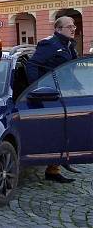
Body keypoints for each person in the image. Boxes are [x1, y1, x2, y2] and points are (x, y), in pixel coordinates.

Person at [25, 16, 78, 183]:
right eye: (69, 26)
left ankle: (63, 160)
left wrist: (78, 85)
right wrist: (36, 88)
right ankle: (53, 169)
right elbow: (32, 65)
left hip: (66, 93)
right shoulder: (49, 44)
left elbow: (68, 70)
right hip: (50, 95)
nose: (73, 28)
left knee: (68, 129)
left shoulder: (69, 45)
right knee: (57, 131)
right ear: (58, 29)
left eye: (73, 26)